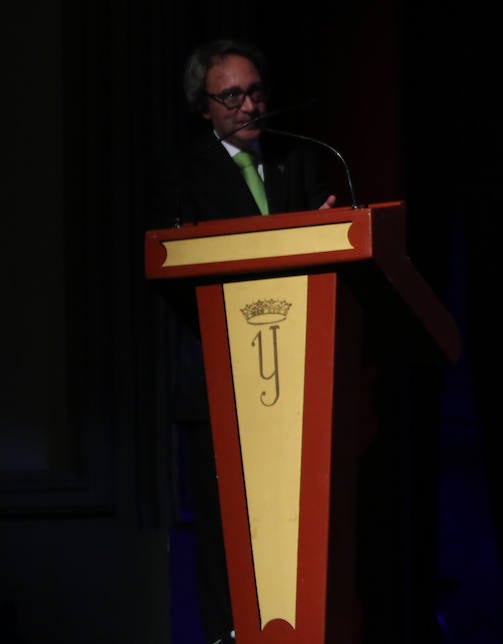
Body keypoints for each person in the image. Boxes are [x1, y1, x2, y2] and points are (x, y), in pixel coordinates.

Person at [152, 38, 335, 644]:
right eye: (231, 96)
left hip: (297, 380)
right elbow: (174, 268)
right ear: (204, 107)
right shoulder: (182, 173)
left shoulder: (299, 160)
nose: (249, 106)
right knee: (223, 531)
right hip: (219, 380)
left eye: (255, 92)